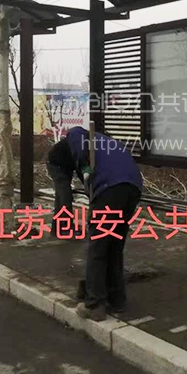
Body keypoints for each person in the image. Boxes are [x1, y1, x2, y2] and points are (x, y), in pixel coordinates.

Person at [47, 126, 142, 321]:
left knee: (98, 247)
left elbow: (80, 147)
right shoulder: (104, 142)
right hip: (133, 187)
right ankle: (117, 300)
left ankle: (94, 304)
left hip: (110, 187)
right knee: (114, 245)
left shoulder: (77, 135)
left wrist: (86, 173)